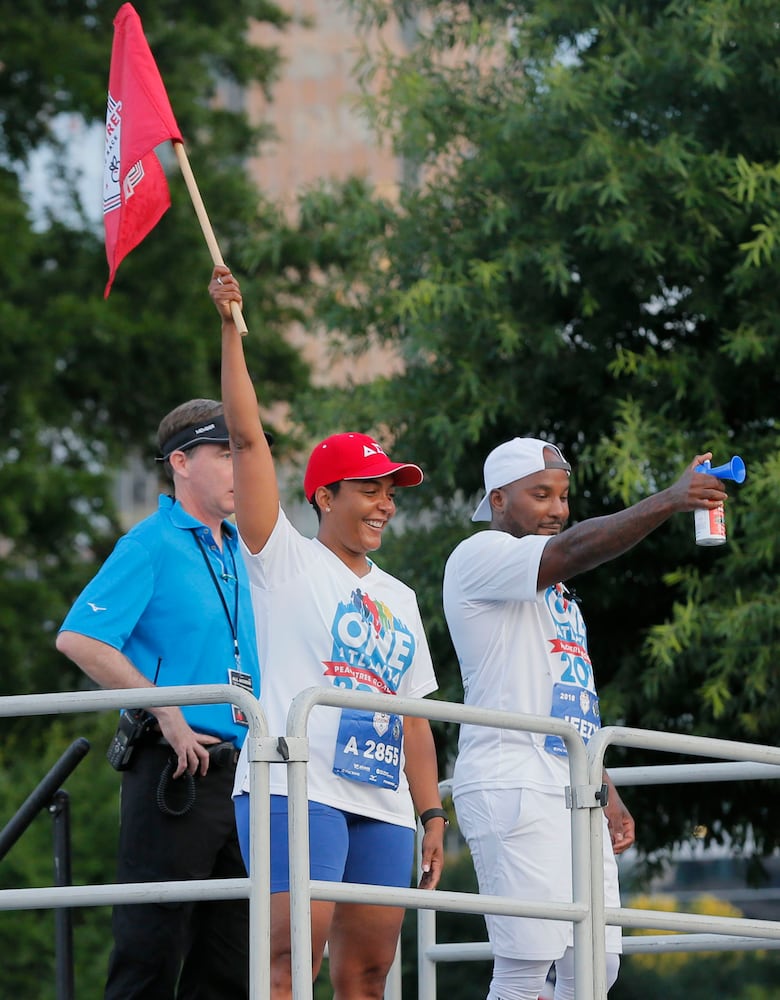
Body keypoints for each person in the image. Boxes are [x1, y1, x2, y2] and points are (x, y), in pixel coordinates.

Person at [209, 265, 446, 1000]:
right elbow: (248, 443)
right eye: (370, 489)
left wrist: (433, 811)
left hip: (383, 800)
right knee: (289, 964)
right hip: (296, 785)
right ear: (324, 495)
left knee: (368, 976)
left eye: (391, 492)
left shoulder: (401, 596)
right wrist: (230, 328)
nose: (385, 504)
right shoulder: (282, 559)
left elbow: (414, 716)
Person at [443, 437, 729, 1000]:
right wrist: (668, 500)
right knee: (527, 967)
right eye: (541, 495)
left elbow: (568, 696)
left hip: (572, 785)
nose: (556, 509)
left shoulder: (558, 592)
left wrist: (604, 783)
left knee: (597, 966)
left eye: (563, 496)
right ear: (498, 500)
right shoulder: (480, 555)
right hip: (512, 778)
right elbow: (572, 549)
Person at [56, 399, 262, 1000]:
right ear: (181, 462)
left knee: (229, 966)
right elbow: (80, 637)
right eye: (225, 455)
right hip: (175, 770)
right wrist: (164, 710)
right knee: (150, 953)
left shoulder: (239, 551)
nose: (238, 469)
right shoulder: (149, 543)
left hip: (242, 777)